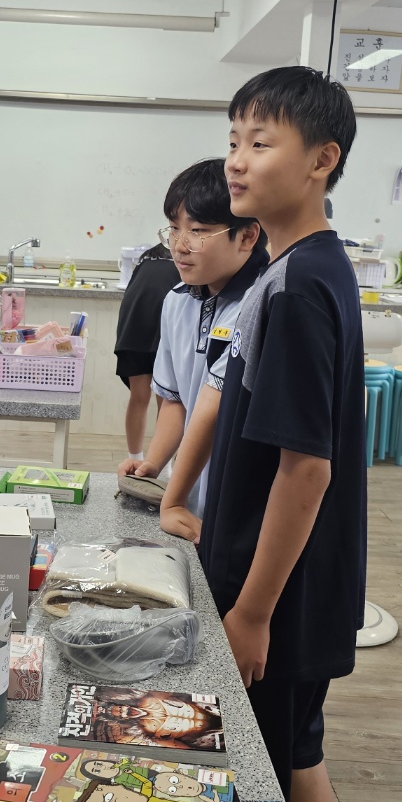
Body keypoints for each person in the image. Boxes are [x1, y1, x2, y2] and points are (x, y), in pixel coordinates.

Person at [192, 66, 366, 802]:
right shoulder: (303, 266)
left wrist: (253, 611)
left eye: (260, 143)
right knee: (295, 754)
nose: (237, 160)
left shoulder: (297, 286)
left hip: (278, 590)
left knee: (262, 770)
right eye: (234, 140)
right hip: (296, 579)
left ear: (321, 160)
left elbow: (307, 468)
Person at [116, 158, 266, 533]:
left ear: (247, 236)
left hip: (244, 499)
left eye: (198, 231)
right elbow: (176, 401)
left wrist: (174, 498)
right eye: (173, 228)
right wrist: (153, 464)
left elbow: (213, 413)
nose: (180, 246)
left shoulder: (259, 305)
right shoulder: (177, 301)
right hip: (191, 494)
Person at [113, 243, 181, 459]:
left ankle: (135, 459)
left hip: (133, 335)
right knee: (168, 401)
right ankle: (163, 462)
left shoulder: (143, 266)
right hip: (167, 336)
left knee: (139, 398)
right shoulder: (180, 266)